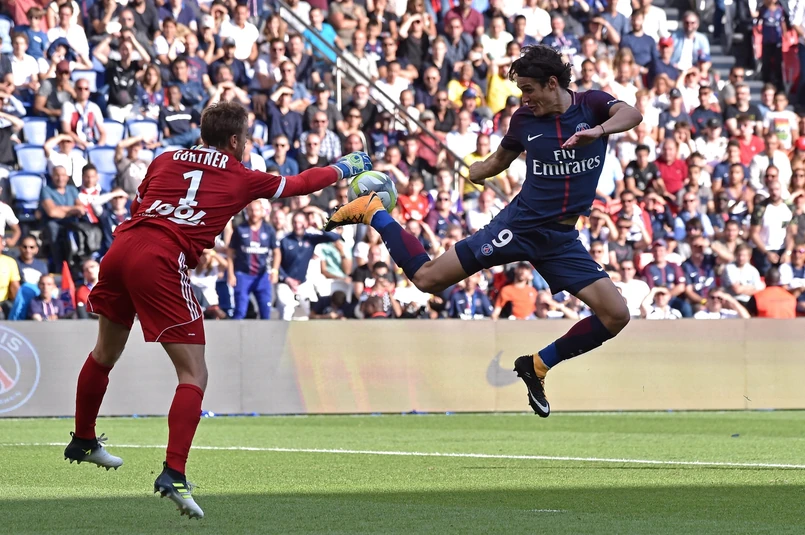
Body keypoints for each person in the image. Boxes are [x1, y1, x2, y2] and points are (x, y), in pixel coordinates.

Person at [62, 101, 373, 518]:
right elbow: (299, 184)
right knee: (194, 373)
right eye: (246, 139)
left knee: (105, 352)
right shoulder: (239, 174)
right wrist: (345, 167)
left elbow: (142, 205)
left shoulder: (165, 157)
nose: (248, 145)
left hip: (122, 248)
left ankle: (83, 439)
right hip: (160, 258)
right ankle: (173, 473)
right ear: (234, 140)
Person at [326, 45, 642, 417]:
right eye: (521, 91)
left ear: (552, 83)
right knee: (427, 279)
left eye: (529, 90)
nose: (524, 99)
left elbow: (632, 114)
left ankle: (537, 366)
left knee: (616, 314)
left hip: (561, 240)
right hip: (519, 227)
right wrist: (477, 171)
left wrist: (597, 132)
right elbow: (496, 162)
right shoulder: (524, 120)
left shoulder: (592, 105)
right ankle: (375, 213)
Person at [227, 200, 281, 320]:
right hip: (243, 275)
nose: (254, 213)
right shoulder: (240, 229)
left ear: (262, 212)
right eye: (251, 210)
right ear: (247, 211)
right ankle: (235, 332)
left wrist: (275, 271)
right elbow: (230, 252)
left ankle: (265, 332)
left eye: (256, 210)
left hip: (262, 276)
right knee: (240, 311)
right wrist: (231, 273)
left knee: (265, 311)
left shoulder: (268, 230)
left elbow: (277, 252)